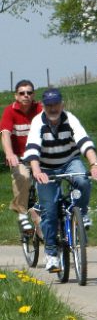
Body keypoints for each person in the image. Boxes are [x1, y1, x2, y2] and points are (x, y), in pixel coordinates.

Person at [23, 88, 97, 273]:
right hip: (45, 167)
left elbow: (85, 142)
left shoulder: (70, 118)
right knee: (49, 210)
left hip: (69, 162)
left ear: (62, 105)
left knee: (82, 180)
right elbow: (33, 149)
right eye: (49, 105)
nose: (52, 108)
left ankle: (80, 214)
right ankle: (51, 254)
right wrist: (37, 171)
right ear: (43, 106)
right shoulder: (37, 122)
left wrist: (95, 165)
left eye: (56, 104)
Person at [1, 80, 43, 234]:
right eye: (22, 93)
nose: (26, 95)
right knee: (23, 177)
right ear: (16, 96)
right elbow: (5, 134)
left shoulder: (40, 109)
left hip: (39, 157)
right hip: (19, 157)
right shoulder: (9, 111)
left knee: (52, 180)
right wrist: (9, 153)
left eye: (29, 92)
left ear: (33, 95)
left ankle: (45, 217)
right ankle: (22, 214)